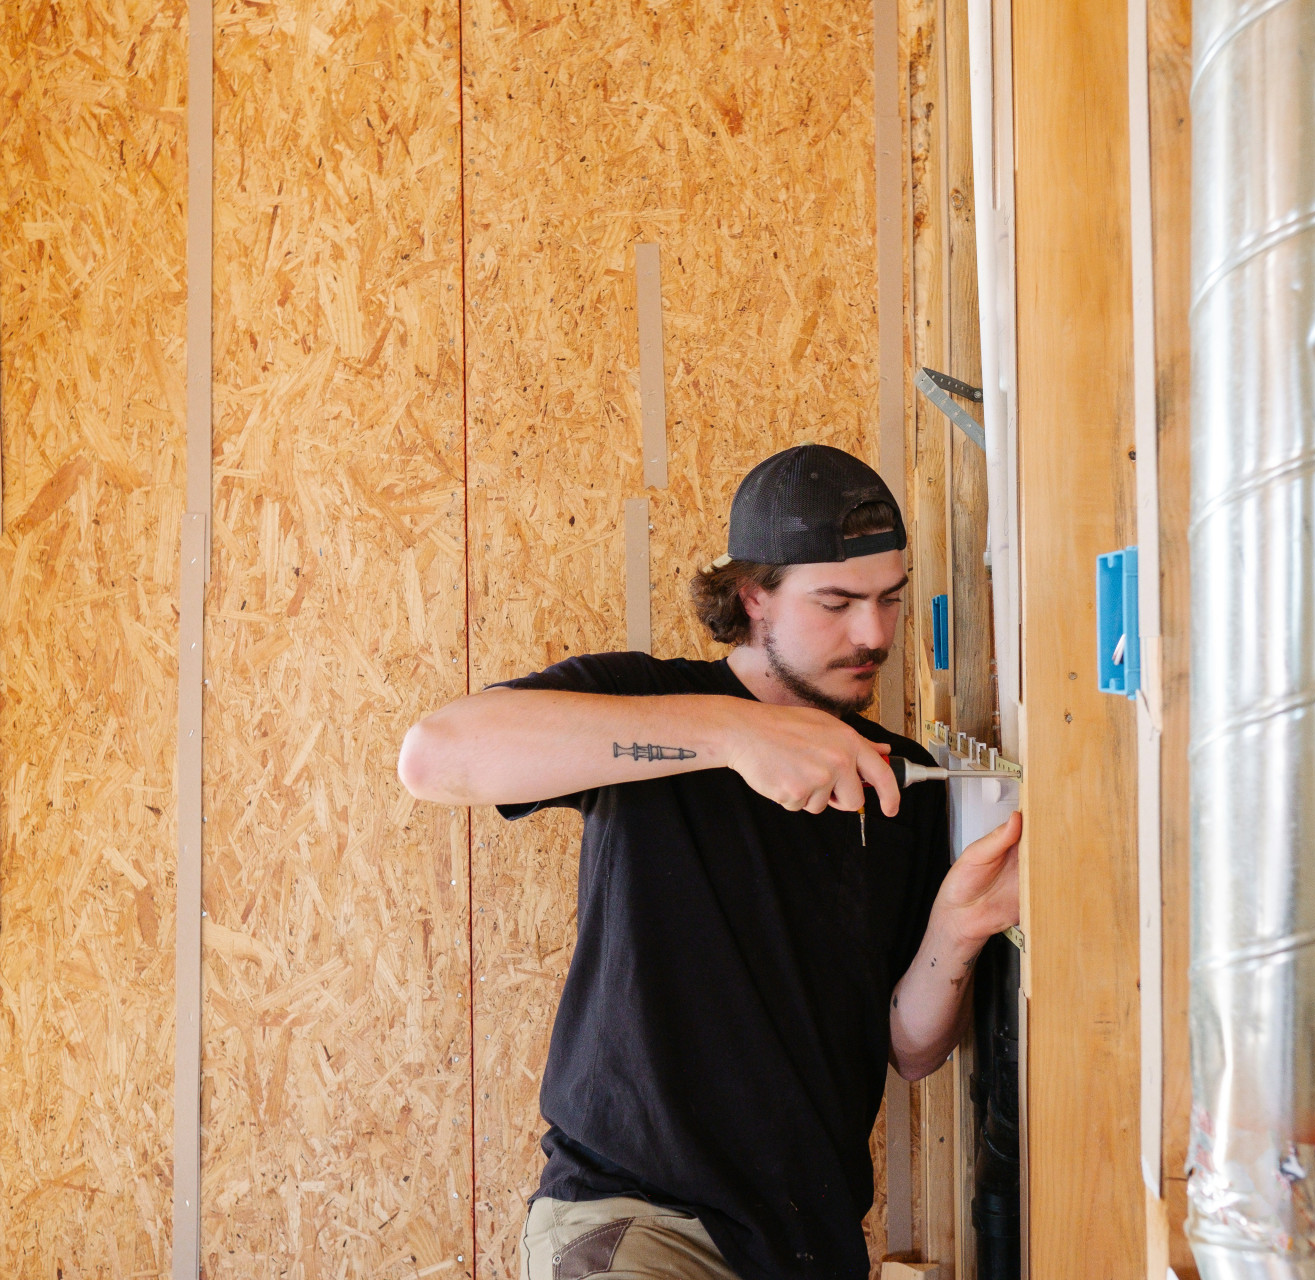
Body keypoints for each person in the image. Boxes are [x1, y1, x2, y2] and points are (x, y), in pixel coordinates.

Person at [399, 444, 1021, 1280]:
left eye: (889, 600)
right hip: (640, 1227)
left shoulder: (894, 778)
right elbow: (434, 758)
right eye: (836, 603)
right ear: (753, 595)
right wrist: (734, 735)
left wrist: (960, 926)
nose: (873, 634)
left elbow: (910, 1050)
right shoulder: (645, 706)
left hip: (806, 1250)